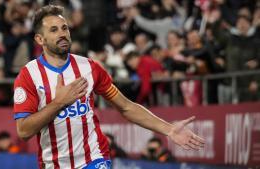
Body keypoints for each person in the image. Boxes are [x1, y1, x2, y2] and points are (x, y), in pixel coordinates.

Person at [13, 5, 205, 169]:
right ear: (40, 39)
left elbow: (126, 106)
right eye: (54, 30)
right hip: (54, 163)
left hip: (94, 159)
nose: (62, 33)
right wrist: (58, 103)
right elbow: (23, 131)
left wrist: (169, 129)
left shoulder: (89, 67)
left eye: (64, 28)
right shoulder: (28, 76)